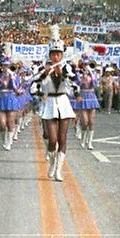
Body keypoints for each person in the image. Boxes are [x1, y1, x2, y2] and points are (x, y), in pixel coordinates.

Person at [34, 30, 79, 182]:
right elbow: (33, 89)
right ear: (50, 55)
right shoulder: (44, 69)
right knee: (52, 140)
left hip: (63, 103)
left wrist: (63, 74)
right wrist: (44, 75)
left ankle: (59, 169)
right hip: (50, 104)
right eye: (53, 54)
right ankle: (52, 163)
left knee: (63, 138)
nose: (56, 57)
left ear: (62, 55)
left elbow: (74, 86)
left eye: (58, 54)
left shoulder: (67, 68)